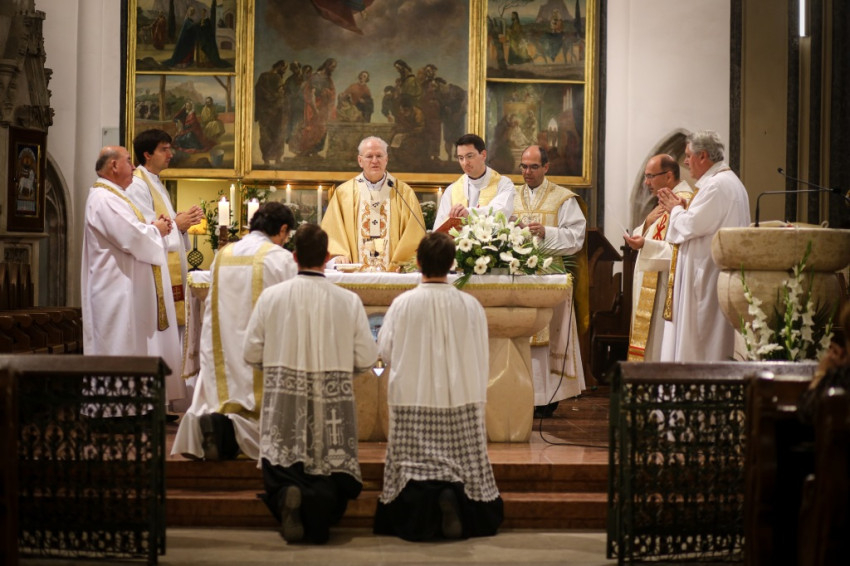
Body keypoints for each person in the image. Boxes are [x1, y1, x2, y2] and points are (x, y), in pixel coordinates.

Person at [243, 224, 378, 544]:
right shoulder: (348, 301)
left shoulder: (272, 297)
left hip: (284, 402)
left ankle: (287, 493)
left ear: (294, 257)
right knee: (331, 473)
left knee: (282, 463)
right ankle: (317, 512)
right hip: (332, 407)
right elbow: (367, 357)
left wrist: (275, 368)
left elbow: (250, 352)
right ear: (327, 257)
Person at [373, 232, 504, 541]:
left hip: (413, 398)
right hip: (460, 398)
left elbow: (385, 352)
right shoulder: (470, 305)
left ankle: (423, 503)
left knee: (412, 461)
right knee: (463, 459)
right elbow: (481, 353)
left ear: (418, 263)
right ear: (452, 264)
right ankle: (453, 495)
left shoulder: (402, 304)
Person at [173, 202, 297, 461]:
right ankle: (230, 435)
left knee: (223, 398)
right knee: (255, 408)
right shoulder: (280, 258)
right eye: (286, 236)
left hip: (223, 346)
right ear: (282, 229)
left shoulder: (224, 254)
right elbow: (291, 305)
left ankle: (213, 427)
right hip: (260, 345)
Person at [81, 147, 178, 400]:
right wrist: (157, 230)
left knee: (128, 346)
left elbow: (131, 230)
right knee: (117, 346)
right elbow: (131, 237)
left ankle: (131, 405)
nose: (134, 167)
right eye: (128, 161)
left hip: (122, 287)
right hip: (114, 290)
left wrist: (153, 228)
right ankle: (114, 408)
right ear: (114, 166)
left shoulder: (114, 195)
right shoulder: (104, 198)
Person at [127, 129, 204, 411]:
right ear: (147, 154)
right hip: (153, 276)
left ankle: (168, 401)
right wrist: (177, 225)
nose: (171, 154)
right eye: (164, 149)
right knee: (160, 336)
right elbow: (146, 232)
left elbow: (163, 224)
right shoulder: (138, 185)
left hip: (167, 271)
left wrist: (180, 224)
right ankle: (155, 402)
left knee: (172, 336)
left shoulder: (156, 183)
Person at [656, 130, 750, 362]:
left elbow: (690, 225)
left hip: (707, 276)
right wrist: (685, 207)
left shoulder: (716, 185)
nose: (686, 162)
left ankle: (695, 381)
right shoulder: (726, 182)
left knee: (702, 342)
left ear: (703, 156)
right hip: (712, 274)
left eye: (689, 156)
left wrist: (675, 209)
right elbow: (703, 220)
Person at [513, 145, 588, 418]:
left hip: (550, 277)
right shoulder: (509, 196)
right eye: (524, 166)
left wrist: (546, 232)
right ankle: (520, 394)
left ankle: (548, 397)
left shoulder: (563, 198)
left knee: (548, 340)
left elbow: (577, 238)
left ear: (546, 167)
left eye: (534, 167)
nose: (527, 172)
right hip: (517, 278)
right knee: (521, 337)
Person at [624, 154, 694, 362]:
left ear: (668, 176)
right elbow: (648, 234)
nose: (646, 183)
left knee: (659, 346)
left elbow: (681, 251)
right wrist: (646, 223)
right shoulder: (665, 202)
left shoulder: (683, 202)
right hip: (653, 287)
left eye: (650, 176)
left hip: (665, 290)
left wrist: (645, 245)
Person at [321, 136, 426, 270]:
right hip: (353, 276)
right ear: (360, 161)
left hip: (394, 275)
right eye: (369, 156)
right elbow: (332, 233)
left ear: (386, 160)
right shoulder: (344, 194)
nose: (375, 161)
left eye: (379, 156)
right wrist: (338, 256)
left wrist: (405, 263)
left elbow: (414, 236)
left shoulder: (404, 193)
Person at [432, 133, 516, 229]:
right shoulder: (451, 191)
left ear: (483, 155)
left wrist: (469, 213)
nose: (465, 163)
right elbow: (439, 227)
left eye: (469, 156)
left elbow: (501, 212)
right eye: (461, 158)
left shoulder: (503, 184)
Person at [254, 60, 287, 165]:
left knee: (278, 135)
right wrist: (274, 96)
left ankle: (276, 158)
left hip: (277, 112)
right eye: (284, 68)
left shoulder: (271, 77)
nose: (285, 70)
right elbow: (260, 92)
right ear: (280, 66)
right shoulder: (267, 76)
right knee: (267, 136)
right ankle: (267, 159)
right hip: (267, 112)